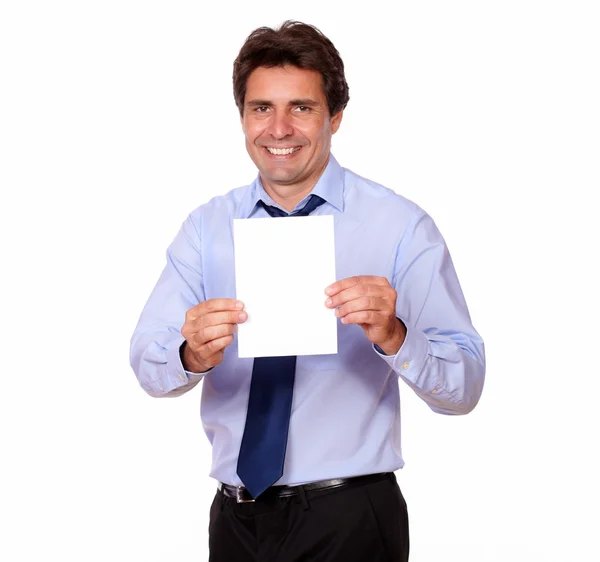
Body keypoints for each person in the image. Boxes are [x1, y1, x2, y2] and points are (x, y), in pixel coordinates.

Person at [129, 20, 485, 562]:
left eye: (301, 107)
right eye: (260, 108)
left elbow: (464, 388)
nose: (279, 128)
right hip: (235, 518)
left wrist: (394, 335)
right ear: (243, 118)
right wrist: (189, 353)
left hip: (350, 519)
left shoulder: (400, 226)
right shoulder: (206, 230)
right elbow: (148, 365)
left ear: (335, 117)